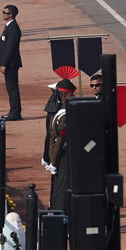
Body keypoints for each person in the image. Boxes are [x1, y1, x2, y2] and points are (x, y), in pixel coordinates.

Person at [44, 79, 75, 214]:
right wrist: (54, 161)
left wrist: (51, 159)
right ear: (65, 97)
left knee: (58, 188)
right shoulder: (64, 115)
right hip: (64, 156)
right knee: (61, 189)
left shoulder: (58, 114)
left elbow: (52, 138)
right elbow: (59, 140)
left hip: (58, 156)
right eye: (71, 95)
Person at [0, 5, 23, 121]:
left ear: (11, 15)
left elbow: (10, 48)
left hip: (11, 64)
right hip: (9, 63)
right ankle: (13, 111)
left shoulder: (13, 28)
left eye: (5, 12)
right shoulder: (9, 27)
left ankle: (15, 112)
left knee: (12, 88)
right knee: (11, 88)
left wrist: (4, 64)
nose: (3, 14)